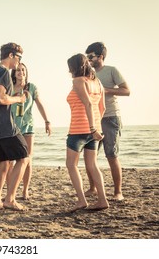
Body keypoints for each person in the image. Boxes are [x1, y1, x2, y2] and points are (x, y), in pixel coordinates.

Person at [0, 42, 28, 211]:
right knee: (23, 157)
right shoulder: (3, 72)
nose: (19, 61)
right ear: (11, 55)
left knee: (4, 163)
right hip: (3, 126)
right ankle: (10, 199)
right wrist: (18, 99)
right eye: (19, 57)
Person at [85, 42, 130, 201]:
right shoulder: (88, 74)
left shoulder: (112, 71)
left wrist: (106, 90)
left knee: (111, 155)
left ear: (100, 57)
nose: (88, 59)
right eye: (87, 57)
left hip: (111, 117)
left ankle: (118, 192)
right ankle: (92, 188)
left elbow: (126, 90)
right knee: (90, 155)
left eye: (91, 56)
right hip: (94, 119)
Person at [65, 53, 109, 211]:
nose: (69, 70)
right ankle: (102, 200)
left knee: (71, 164)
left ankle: (82, 200)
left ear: (75, 67)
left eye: (70, 66)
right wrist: (96, 125)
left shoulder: (78, 81)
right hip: (94, 130)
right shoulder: (97, 82)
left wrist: (91, 127)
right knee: (92, 165)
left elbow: (89, 104)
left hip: (79, 129)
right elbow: (102, 107)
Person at [9, 63, 51, 200]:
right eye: (18, 70)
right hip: (12, 128)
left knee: (27, 159)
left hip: (28, 127)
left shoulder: (31, 88)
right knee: (11, 161)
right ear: (14, 73)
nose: (21, 72)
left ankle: (25, 190)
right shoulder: (9, 88)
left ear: (26, 73)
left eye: (23, 70)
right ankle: (11, 191)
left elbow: (40, 105)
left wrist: (47, 121)